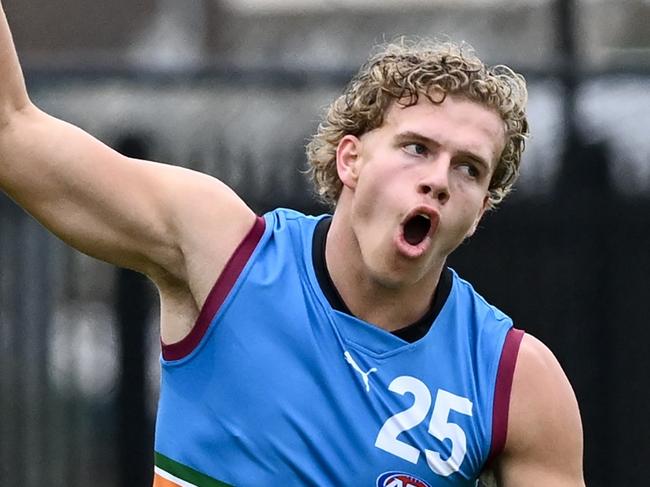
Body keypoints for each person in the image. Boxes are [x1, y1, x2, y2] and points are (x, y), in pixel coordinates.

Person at [0, 3, 584, 486]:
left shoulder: (515, 382)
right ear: (350, 158)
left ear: (480, 211)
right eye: (415, 148)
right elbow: (12, 132)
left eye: (469, 169)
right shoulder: (226, 256)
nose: (438, 177)